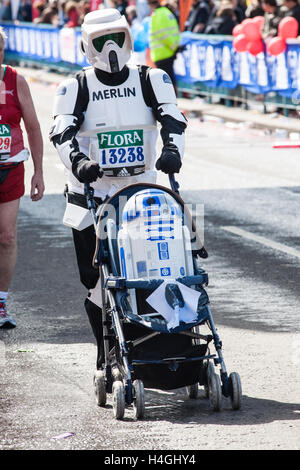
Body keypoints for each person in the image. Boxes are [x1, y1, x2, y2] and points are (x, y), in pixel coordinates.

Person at [49, 8, 187, 370]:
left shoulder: (151, 79)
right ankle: (106, 351)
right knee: (97, 283)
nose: (110, 47)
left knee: (157, 270)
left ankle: (160, 346)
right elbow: (61, 132)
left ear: (127, 38)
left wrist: (172, 151)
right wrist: (78, 161)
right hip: (90, 197)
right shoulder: (75, 87)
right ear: (86, 45)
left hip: (141, 195)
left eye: (116, 38)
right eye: (100, 40)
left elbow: (174, 119)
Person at [0, 27, 44, 328]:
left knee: (7, 236)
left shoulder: (15, 80)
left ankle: (0, 303)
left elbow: (34, 127)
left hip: (10, 168)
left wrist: (39, 171)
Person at [147, 0, 180, 90]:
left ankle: (171, 101)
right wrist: (174, 46)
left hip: (161, 53)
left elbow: (161, 34)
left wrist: (172, 46)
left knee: (165, 81)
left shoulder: (156, 15)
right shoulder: (167, 12)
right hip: (169, 51)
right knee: (170, 78)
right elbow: (175, 30)